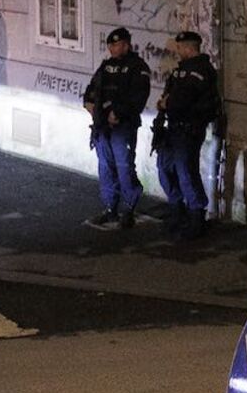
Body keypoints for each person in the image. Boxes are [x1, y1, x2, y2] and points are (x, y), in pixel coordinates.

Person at [81, 27, 151, 231]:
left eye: (116, 44)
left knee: (123, 166)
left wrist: (118, 113)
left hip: (123, 126)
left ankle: (129, 208)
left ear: (126, 45)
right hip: (103, 125)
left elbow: (138, 97)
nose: (112, 48)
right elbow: (93, 88)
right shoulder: (106, 66)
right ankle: (110, 207)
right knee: (105, 167)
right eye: (110, 45)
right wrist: (89, 102)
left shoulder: (137, 67)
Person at [154, 30, 218, 239]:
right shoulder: (180, 71)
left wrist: (169, 103)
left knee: (186, 172)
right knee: (165, 168)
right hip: (172, 128)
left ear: (189, 48)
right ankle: (177, 210)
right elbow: (170, 94)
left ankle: (195, 217)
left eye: (180, 48)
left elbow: (187, 99)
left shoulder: (202, 71)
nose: (177, 51)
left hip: (189, 129)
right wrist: (163, 106)